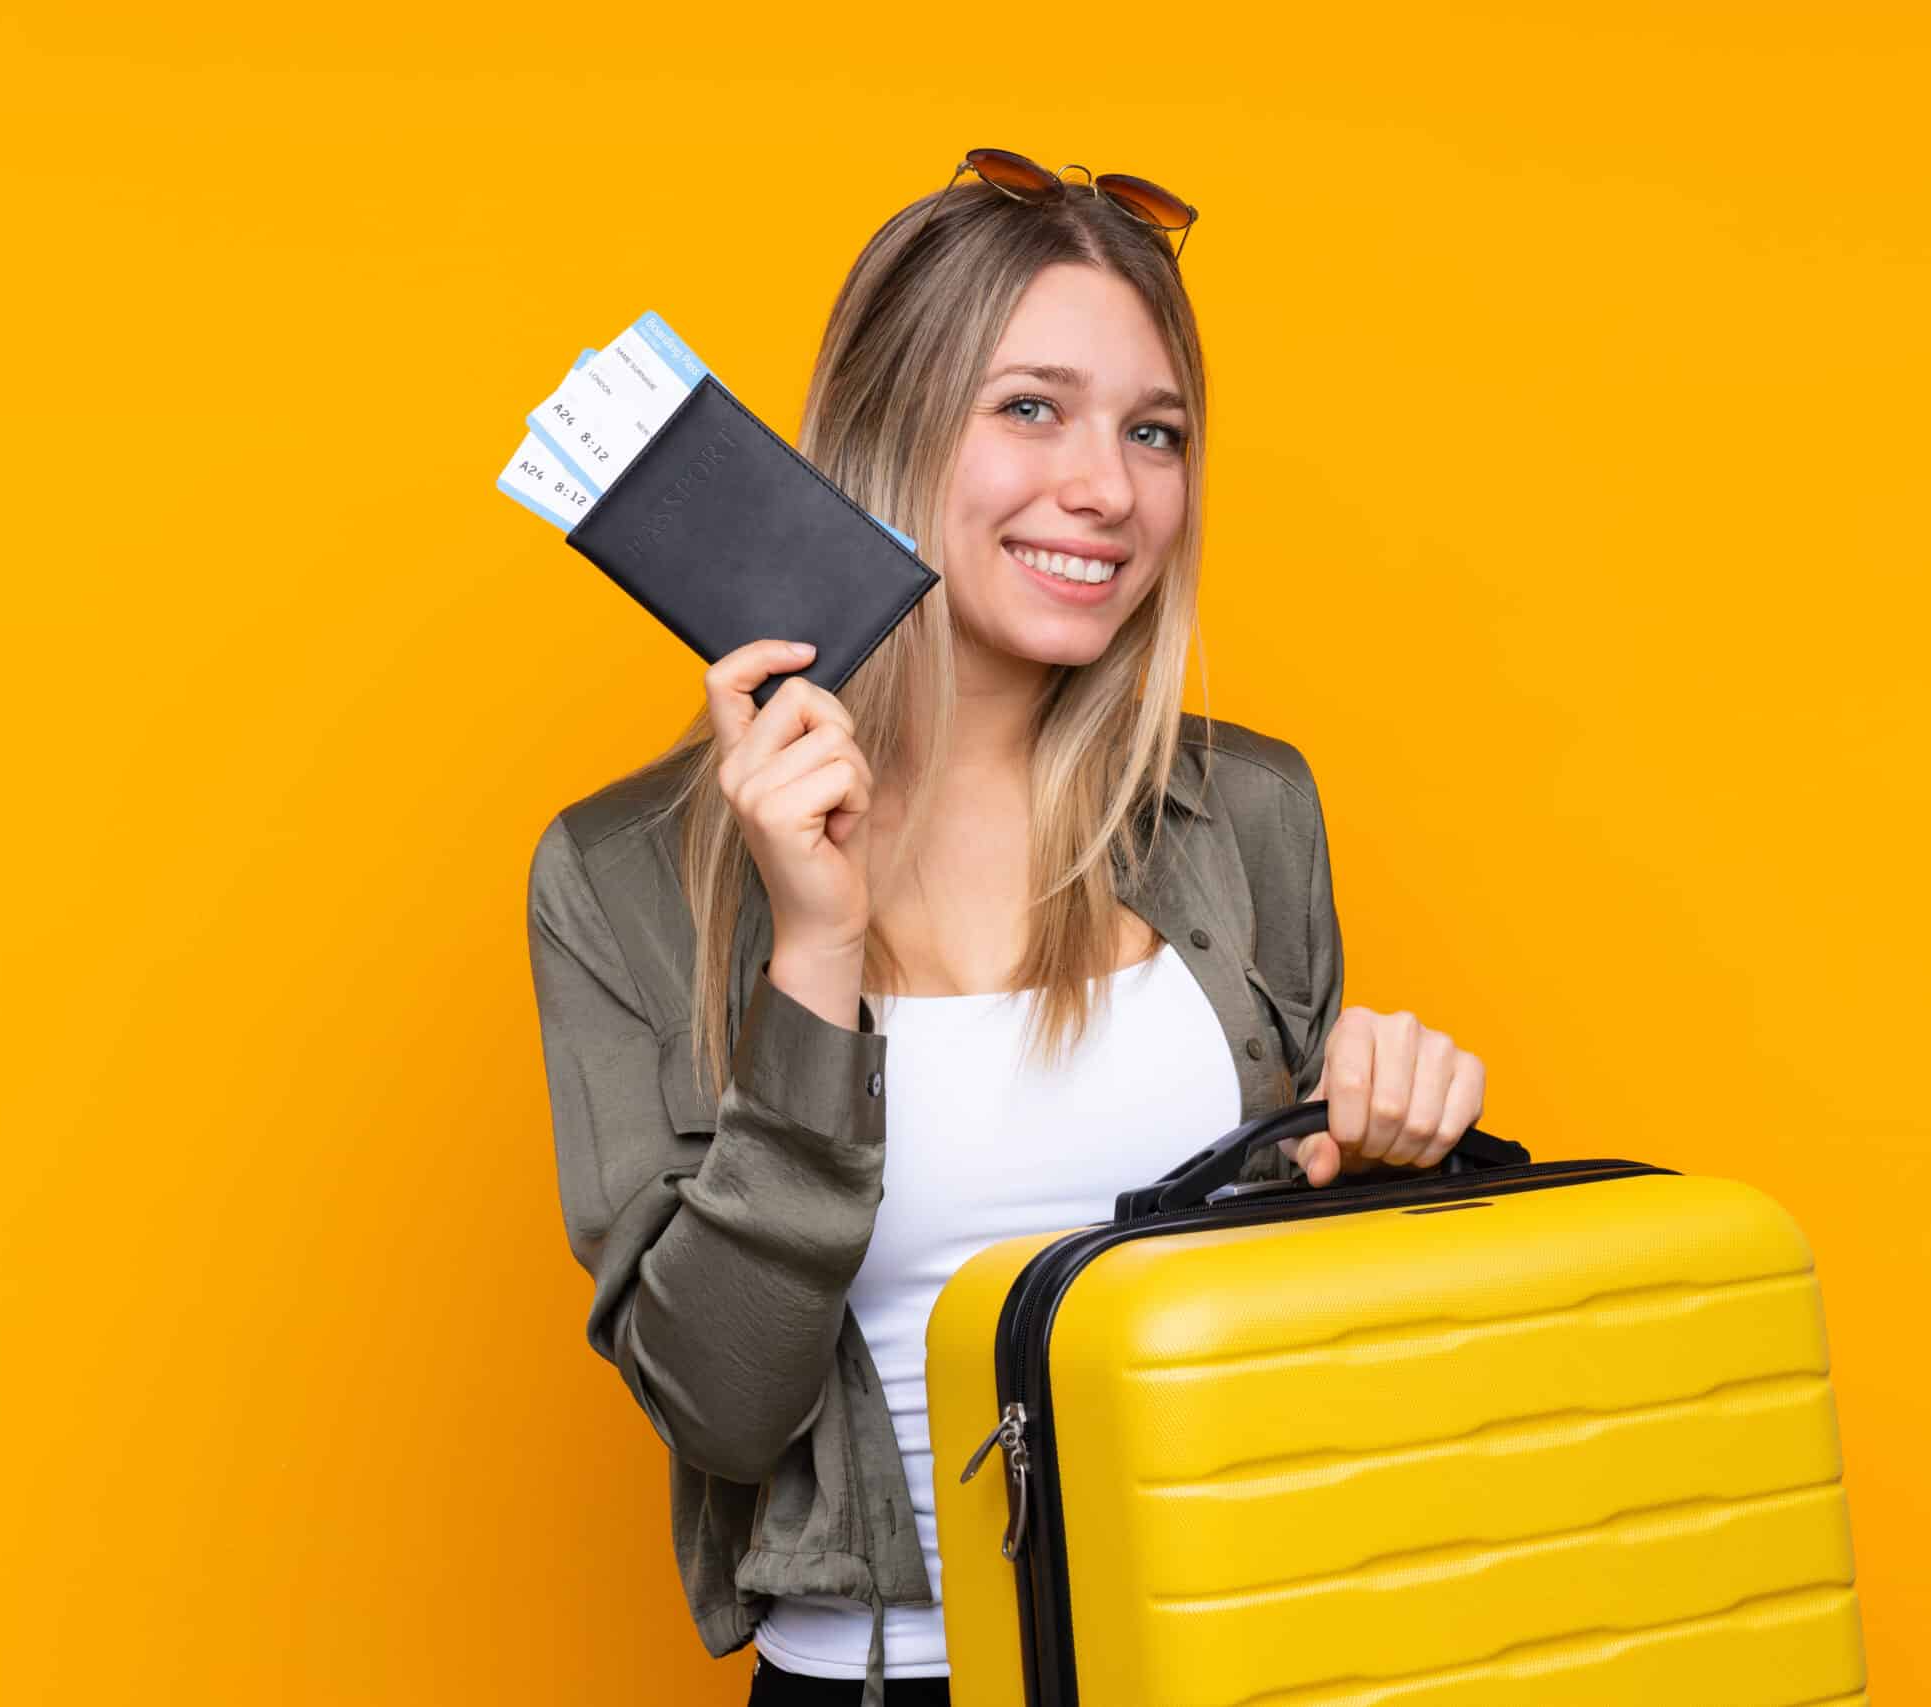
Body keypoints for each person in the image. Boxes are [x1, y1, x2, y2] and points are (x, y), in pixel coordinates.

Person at [524, 152, 1490, 1707]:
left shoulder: (1243, 814)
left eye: (1154, 430)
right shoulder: (624, 878)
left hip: (1254, 1651)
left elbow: (1325, 1347)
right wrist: (816, 953)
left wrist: (1378, 1166)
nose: (1109, 488)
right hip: (889, 1682)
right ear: (886, 432)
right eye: (1030, 407)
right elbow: (720, 1404)